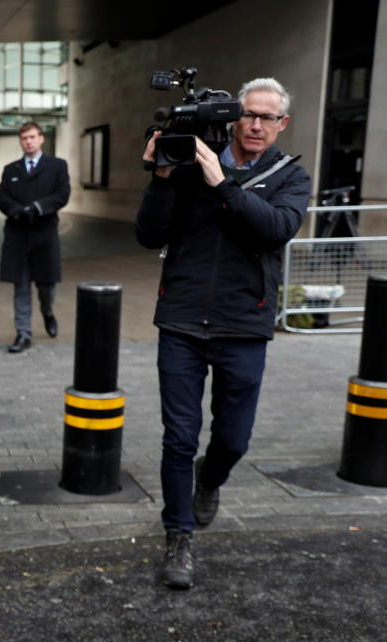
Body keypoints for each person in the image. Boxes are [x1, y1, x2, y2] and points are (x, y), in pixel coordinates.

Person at [136, 78, 311, 589]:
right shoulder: (193, 164)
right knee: (178, 438)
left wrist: (223, 184)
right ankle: (179, 537)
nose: (255, 125)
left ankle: (210, 479)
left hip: (245, 323)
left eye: (267, 118)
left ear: (282, 124)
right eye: (248, 114)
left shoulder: (289, 176)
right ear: (234, 116)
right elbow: (150, 235)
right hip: (183, 319)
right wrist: (164, 177)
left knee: (233, 439)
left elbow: (275, 229)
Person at [0, 121, 70, 353]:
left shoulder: (57, 166)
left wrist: (38, 207)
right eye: (24, 138)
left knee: (46, 286)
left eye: (32, 137)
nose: (28, 141)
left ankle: (47, 312)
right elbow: (2, 197)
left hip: (45, 236)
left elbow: (62, 195)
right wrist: (18, 212)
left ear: (41, 139)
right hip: (18, 236)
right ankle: (23, 333)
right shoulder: (11, 170)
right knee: (21, 287)